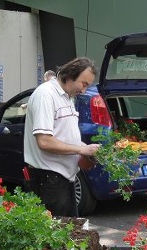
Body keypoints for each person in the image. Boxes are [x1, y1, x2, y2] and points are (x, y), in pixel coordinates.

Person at [23, 57, 100, 217]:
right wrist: (81, 149)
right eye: (84, 84)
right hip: (48, 180)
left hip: (64, 179)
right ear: (70, 76)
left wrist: (87, 153)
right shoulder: (46, 95)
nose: (84, 90)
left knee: (68, 234)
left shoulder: (67, 97)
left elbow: (65, 137)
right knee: (54, 236)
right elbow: (44, 141)